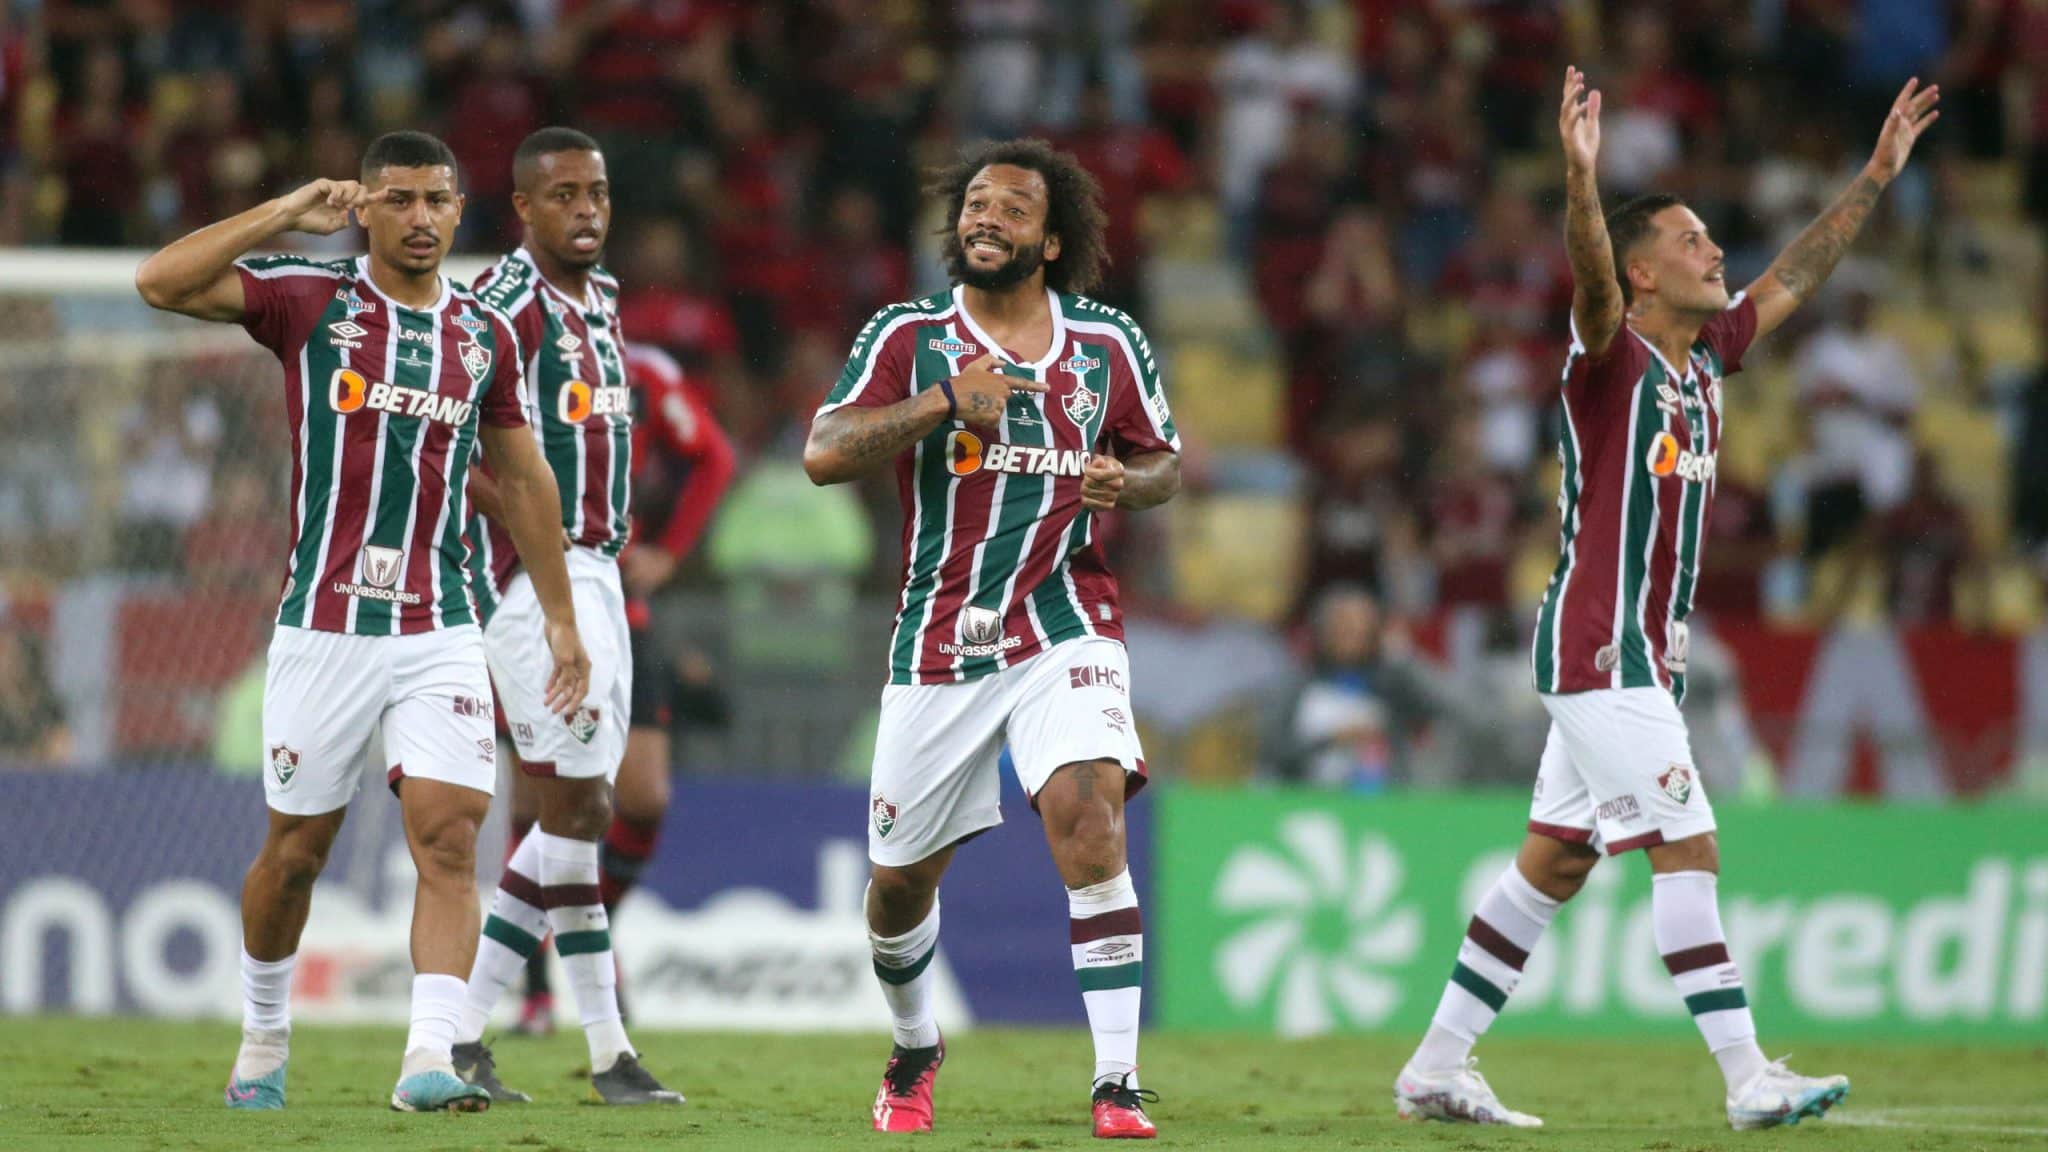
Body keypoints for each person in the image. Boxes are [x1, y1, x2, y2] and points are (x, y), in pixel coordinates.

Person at [1391, 69, 1939, 1131]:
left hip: (1637, 653)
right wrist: (1579, 183)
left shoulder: (1702, 364)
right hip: (1603, 651)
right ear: (1642, 272)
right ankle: (1746, 1080)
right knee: (1687, 846)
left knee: (1550, 864)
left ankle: (1432, 1067)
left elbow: (1791, 273)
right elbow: (1592, 282)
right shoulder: (1609, 357)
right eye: (1691, 242)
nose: (1714, 254)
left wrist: (1873, 176)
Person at [134, 130, 591, 1114]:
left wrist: (559, 618)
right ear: (365, 208)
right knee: (294, 857)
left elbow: (521, 478)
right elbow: (161, 284)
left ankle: (428, 1060)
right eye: (398, 200)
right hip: (324, 628)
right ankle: (263, 1035)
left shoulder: (484, 334)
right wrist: (281, 214)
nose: (420, 217)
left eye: (436, 200)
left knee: (448, 839)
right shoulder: (310, 300)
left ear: (459, 211)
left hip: (442, 624)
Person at [804, 138, 1180, 1139]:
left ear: (1050, 241)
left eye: (1012, 209)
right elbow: (822, 453)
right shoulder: (908, 335)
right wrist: (939, 403)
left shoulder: (1104, 345)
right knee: (895, 890)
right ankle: (916, 1042)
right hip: (938, 641)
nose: (985, 219)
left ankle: (1115, 1085)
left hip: (1067, 621)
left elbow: (1162, 464)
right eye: (974, 204)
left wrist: (1126, 484)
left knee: (1089, 819)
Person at [446, 128, 683, 1106]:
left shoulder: (606, 298)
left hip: (598, 571)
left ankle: (607, 1053)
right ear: (525, 208)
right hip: (531, 581)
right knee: (577, 805)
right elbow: (457, 447)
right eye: (565, 195)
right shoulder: (502, 306)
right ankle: (459, 1036)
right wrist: (549, 591)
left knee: (578, 819)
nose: (587, 209)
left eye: (598, 191)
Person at [504, 340, 736, 1036]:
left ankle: (586, 934)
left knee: (643, 797)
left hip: (620, 612)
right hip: (524, 603)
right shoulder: (510, 357)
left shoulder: (642, 372)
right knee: (539, 798)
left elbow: (714, 457)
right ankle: (538, 990)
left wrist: (669, 551)